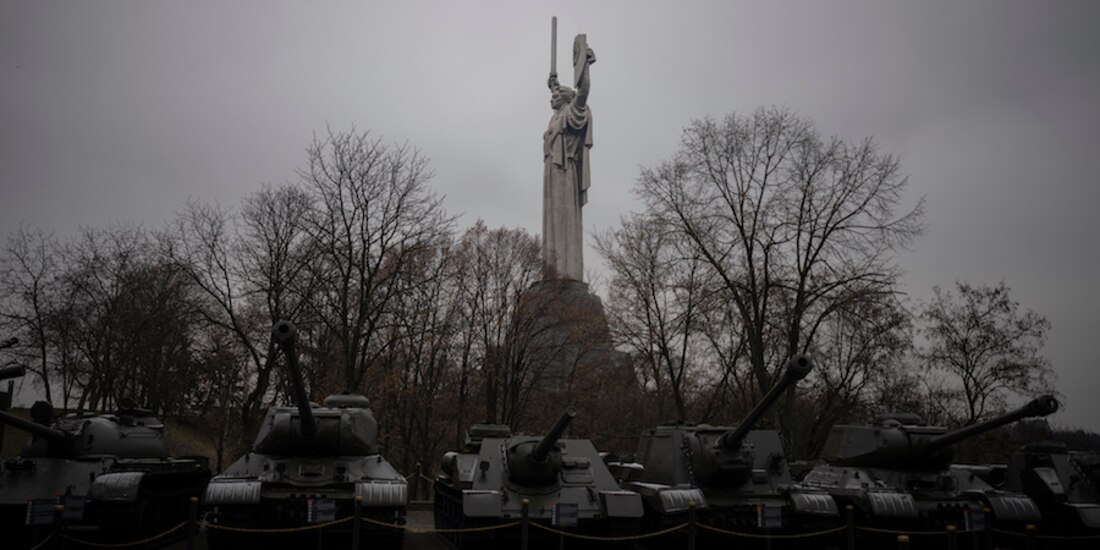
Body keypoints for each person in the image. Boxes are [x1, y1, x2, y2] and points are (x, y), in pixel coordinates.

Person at [542, 46, 595, 281]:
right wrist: (554, 84)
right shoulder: (555, 118)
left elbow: (582, 93)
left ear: (564, 99)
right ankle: (551, 274)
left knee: (565, 221)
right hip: (551, 176)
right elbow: (560, 92)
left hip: (566, 174)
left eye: (555, 95)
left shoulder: (573, 112)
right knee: (552, 223)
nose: (551, 98)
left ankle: (568, 275)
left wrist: (585, 67)